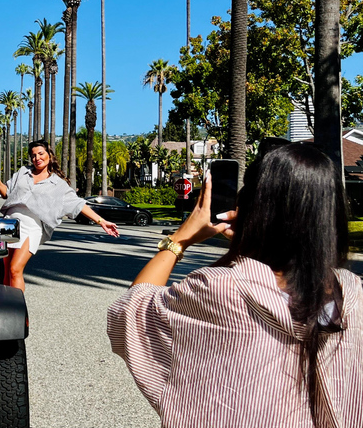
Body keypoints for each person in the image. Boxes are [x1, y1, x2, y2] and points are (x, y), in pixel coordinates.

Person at [107, 142, 363, 427]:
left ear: (252, 204)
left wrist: (180, 240)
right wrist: (255, 244)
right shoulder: (353, 293)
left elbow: (131, 311)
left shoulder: (223, 289)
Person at [0, 140, 119, 291]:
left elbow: (78, 204)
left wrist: (101, 221)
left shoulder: (57, 184)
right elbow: (7, 193)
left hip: (32, 226)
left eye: (41, 154)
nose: (37, 158)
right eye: (33, 155)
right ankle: (6, 308)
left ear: (49, 155)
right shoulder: (23, 172)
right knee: (6, 269)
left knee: (15, 269)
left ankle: (18, 312)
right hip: (9, 222)